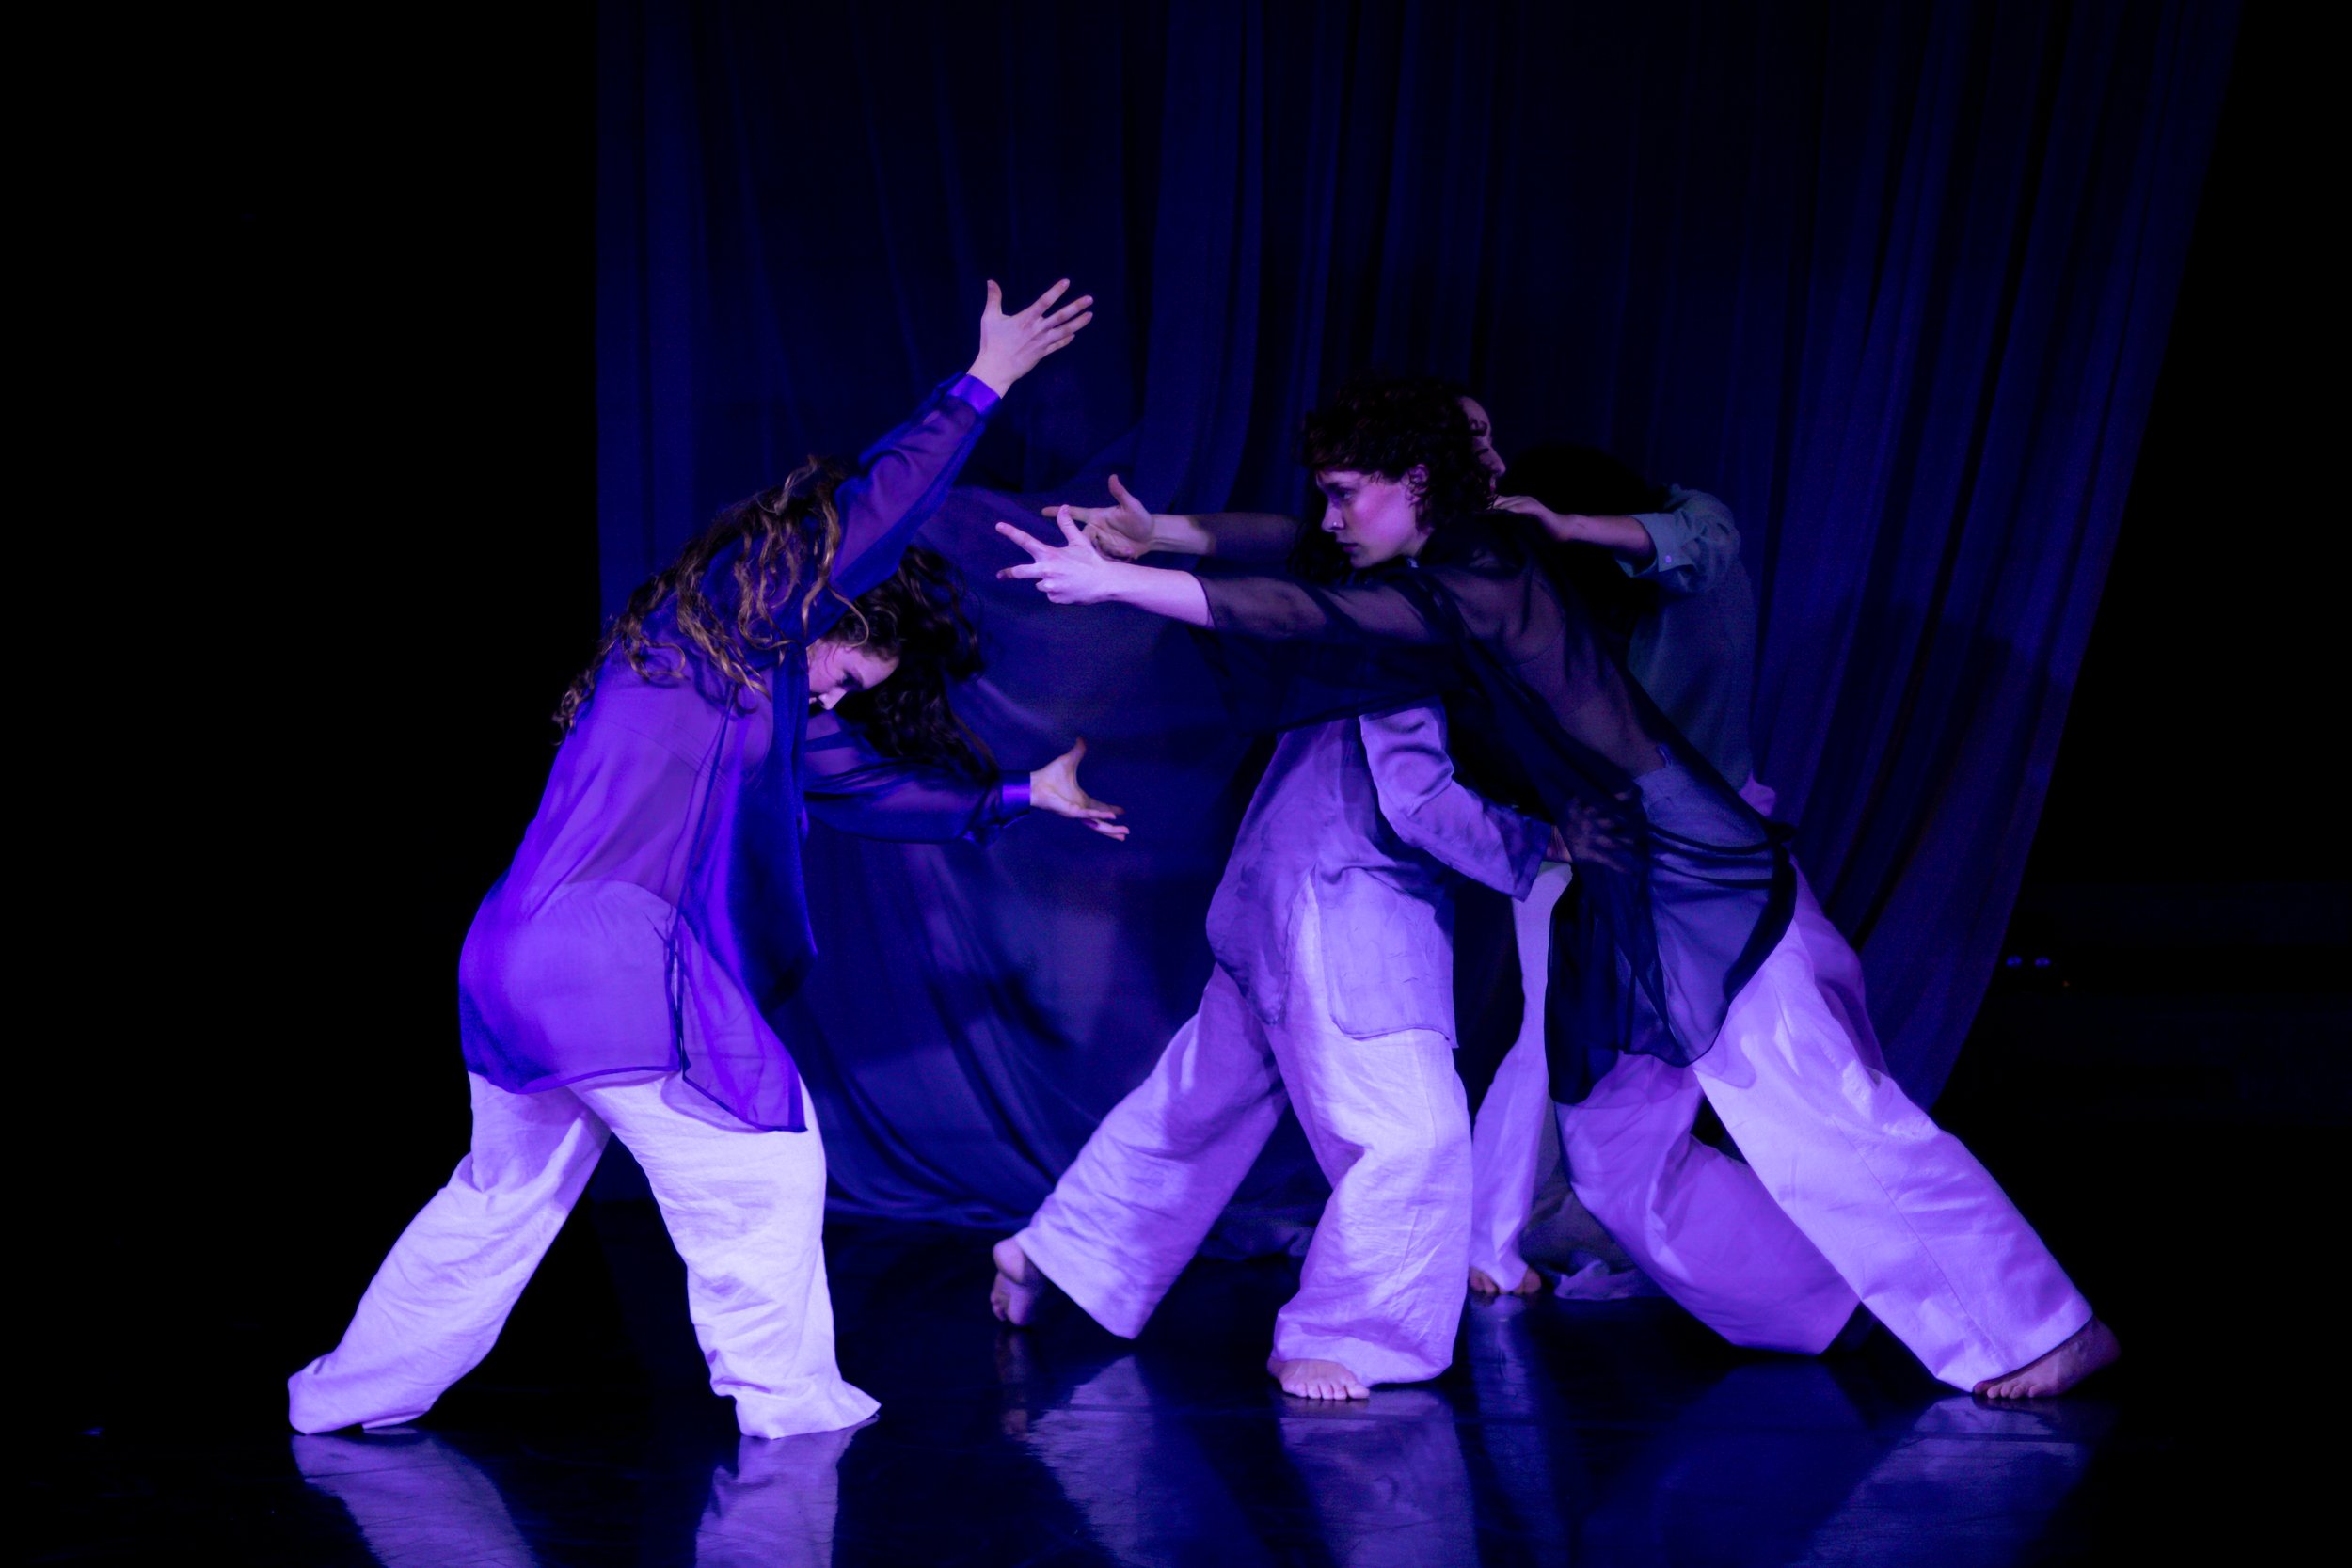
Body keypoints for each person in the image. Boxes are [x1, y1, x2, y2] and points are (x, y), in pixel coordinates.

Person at [995, 372, 2119, 1400]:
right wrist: (1173, 535)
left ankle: (2035, 1326)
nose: (1331, 516)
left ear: (1415, 482)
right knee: (1618, 1153)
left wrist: (1127, 581)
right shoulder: (1431, 563)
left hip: (1685, 866)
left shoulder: (1484, 570)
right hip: (1605, 879)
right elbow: (1302, 552)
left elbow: (1318, 607)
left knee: (1820, 1105)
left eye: (1349, 493)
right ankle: (1822, 1306)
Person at [290, 279, 1119, 1441]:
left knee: (498, 1198)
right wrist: (980, 386)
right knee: (764, 1163)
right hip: (607, 960)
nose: (831, 695)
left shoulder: (715, 685)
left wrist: (1022, 793)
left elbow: (867, 789)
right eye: (843, 675)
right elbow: (865, 514)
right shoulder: (730, 615)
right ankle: (788, 1405)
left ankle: (342, 1395)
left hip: (508, 959)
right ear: (829, 612)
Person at [987, 498, 1555, 1401]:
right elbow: (1416, 796)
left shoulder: (1373, 589)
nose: (1489, 469)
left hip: (1276, 882)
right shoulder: (1406, 608)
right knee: (1414, 1134)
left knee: (1200, 1100)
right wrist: (1538, 844)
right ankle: (1343, 1334)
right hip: (1342, 905)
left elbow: (1283, 540)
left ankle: (1052, 1251)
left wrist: (1169, 537)